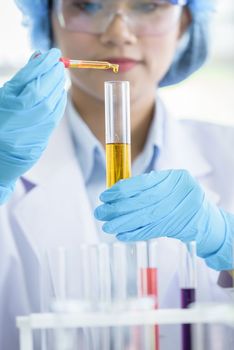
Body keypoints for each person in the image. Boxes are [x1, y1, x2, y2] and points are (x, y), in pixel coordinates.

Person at [0, 0, 234, 349]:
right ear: (49, 21)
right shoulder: (8, 155)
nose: (118, 33)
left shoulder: (227, 152)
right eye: (88, 5)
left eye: (149, 6)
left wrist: (226, 242)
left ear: (184, 21)